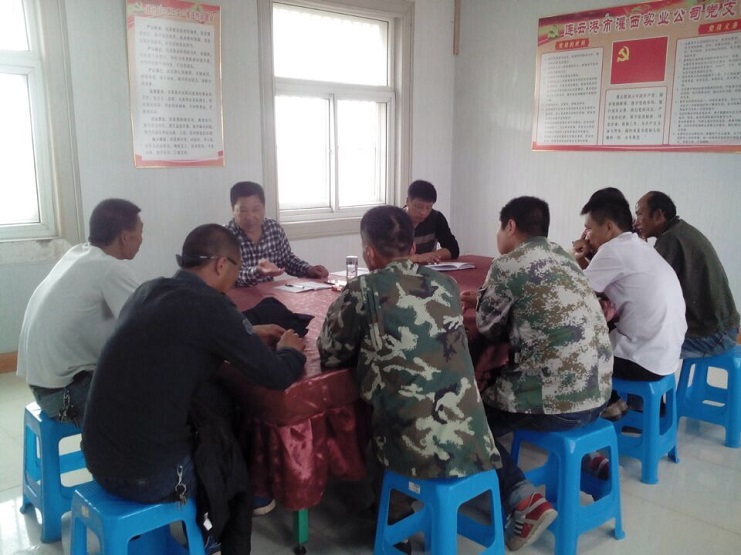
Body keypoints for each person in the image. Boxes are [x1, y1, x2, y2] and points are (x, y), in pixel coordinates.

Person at [82, 224, 307, 555]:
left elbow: (185, 340)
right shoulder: (212, 306)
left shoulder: (148, 290)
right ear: (221, 264)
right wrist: (290, 350)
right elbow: (276, 375)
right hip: (148, 477)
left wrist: (245, 331)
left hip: (97, 458)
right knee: (225, 439)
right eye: (236, 269)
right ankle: (218, 527)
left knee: (210, 399)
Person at [317, 206, 522, 550]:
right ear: (413, 248)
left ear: (368, 252)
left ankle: (396, 525)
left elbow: (330, 352)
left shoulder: (362, 290)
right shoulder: (447, 285)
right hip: (474, 437)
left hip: (413, 443)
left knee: (381, 429)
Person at [461, 196, 611, 550]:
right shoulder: (565, 258)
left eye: (500, 228)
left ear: (510, 226)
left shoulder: (507, 264)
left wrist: (482, 302)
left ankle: (523, 500)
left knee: (464, 419)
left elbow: (488, 328)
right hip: (600, 393)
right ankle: (587, 458)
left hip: (559, 403)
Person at [16, 198, 143, 424]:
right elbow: (149, 322)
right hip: (65, 396)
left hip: (43, 387)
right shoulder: (109, 268)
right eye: (140, 232)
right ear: (125, 237)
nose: (142, 239)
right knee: (156, 396)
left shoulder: (77, 253)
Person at [573, 188, 686, 420]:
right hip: (667, 355)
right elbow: (595, 284)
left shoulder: (612, 251)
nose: (587, 235)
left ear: (608, 228)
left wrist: (574, 259)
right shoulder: (637, 245)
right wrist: (586, 258)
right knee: (605, 326)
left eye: (589, 228)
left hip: (645, 361)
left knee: (571, 348)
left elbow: (573, 294)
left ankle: (608, 406)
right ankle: (639, 407)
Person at [635, 191, 739, 358]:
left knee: (637, 349)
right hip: (724, 327)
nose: (636, 222)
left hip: (712, 335)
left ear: (658, 215)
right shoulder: (680, 230)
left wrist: (636, 245)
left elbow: (645, 288)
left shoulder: (671, 239)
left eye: (640, 214)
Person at [225, 181, 328, 286]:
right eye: (243, 211)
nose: (250, 217)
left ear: (264, 208)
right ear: (233, 209)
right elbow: (233, 275)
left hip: (268, 293)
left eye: (255, 210)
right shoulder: (225, 236)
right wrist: (257, 271)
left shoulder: (273, 229)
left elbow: (286, 260)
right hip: (236, 294)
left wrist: (308, 269)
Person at [403, 179, 460, 264]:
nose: (423, 212)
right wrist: (418, 258)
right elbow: (386, 257)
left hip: (427, 269)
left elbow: (453, 250)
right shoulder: (394, 220)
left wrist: (430, 256)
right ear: (408, 201)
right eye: (418, 207)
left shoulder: (436, 218)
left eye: (428, 207)